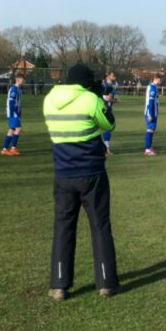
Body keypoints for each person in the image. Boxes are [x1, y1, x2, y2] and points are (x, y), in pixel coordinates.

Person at [44, 64, 119, 301]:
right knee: (100, 225)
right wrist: (99, 98)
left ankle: (59, 284)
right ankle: (106, 282)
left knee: (63, 226)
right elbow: (109, 124)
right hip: (91, 172)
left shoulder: (49, 99)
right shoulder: (89, 99)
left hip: (63, 173)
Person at [1, 74, 25, 156]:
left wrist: (19, 112)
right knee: (18, 129)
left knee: (12, 130)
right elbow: (11, 103)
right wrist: (16, 113)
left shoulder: (19, 89)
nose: (24, 82)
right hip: (12, 112)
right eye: (23, 80)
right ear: (18, 80)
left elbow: (18, 103)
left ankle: (4, 149)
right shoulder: (14, 89)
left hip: (15, 112)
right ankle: (13, 148)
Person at [100, 71, 118, 155]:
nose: (114, 76)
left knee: (108, 128)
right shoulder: (106, 85)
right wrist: (115, 101)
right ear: (107, 76)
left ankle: (105, 148)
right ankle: (106, 149)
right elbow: (107, 98)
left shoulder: (108, 85)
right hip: (105, 109)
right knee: (108, 127)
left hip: (107, 108)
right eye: (113, 75)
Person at [143, 74, 161, 156]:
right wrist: (150, 114)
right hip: (151, 112)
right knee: (149, 130)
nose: (160, 81)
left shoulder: (153, 87)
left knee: (151, 130)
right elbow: (150, 102)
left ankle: (149, 147)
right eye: (159, 79)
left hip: (154, 112)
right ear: (156, 79)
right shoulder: (152, 88)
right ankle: (147, 150)